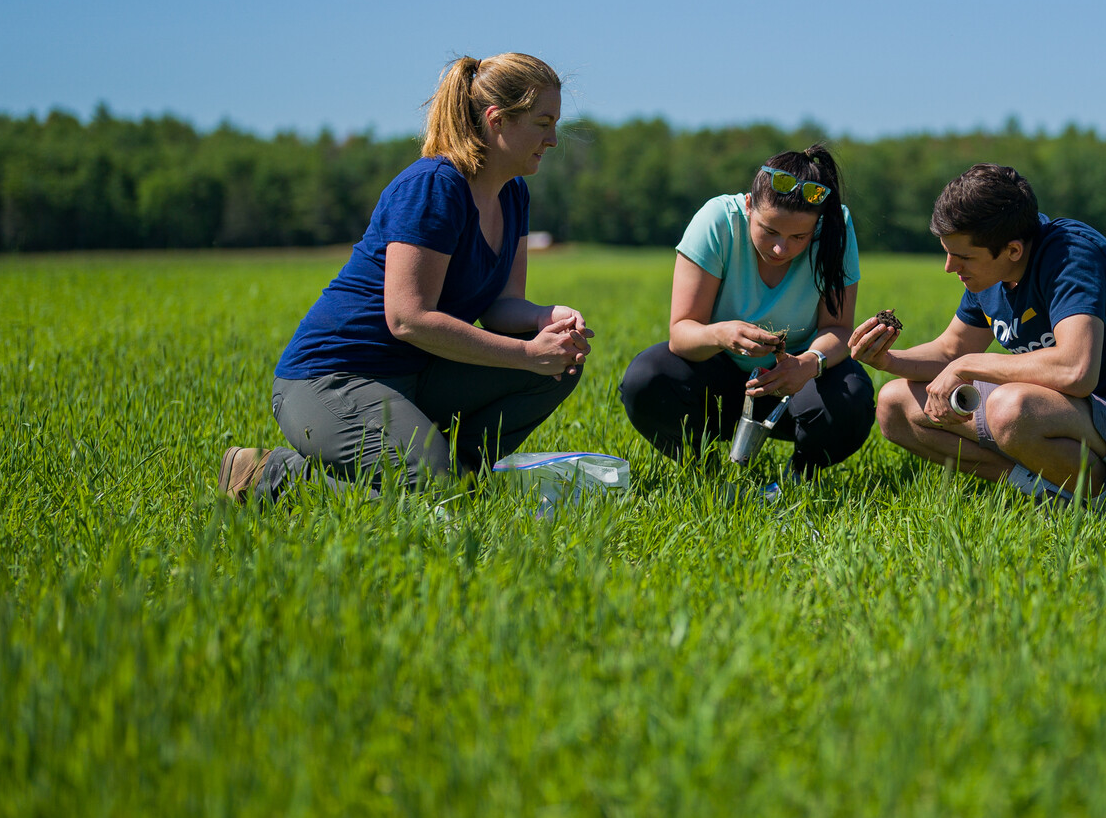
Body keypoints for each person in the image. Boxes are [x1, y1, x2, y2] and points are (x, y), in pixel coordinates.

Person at [217, 53, 590, 502]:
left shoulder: (513, 195)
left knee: (560, 364)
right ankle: (272, 474)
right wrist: (527, 354)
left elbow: (499, 307)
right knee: (433, 491)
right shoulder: (434, 186)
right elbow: (408, 318)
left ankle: (459, 477)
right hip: (333, 377)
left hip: (418, 373)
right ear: (497, 120)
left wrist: (544, 320)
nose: (553, 139)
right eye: (543, 123)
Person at [854, 163, 1106, 502]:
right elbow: (950, 350)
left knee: (1010, 408)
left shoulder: (1070, 256)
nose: (950, 267)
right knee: (895, 404)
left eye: (963, 257)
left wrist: (967, 365)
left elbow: (1075, 371)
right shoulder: (990, 273)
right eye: (948, 253)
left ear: (1013, 250)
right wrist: (887, 359)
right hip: (1065, 418)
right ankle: (1043, 490)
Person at [618, 145, 872, 475]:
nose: (781, 248)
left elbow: (838, 330)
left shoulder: (836, 227)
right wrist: (721, 334)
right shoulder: (717, 220)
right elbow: (681, 334)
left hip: (795, 381)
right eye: (770, 231)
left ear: (818, 224)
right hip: (716, 374)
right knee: (646, 379)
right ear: (749, 206)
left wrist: (807, 364)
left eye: (799, 236)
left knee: (852, 396)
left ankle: (798, 476)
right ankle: (704, 471)